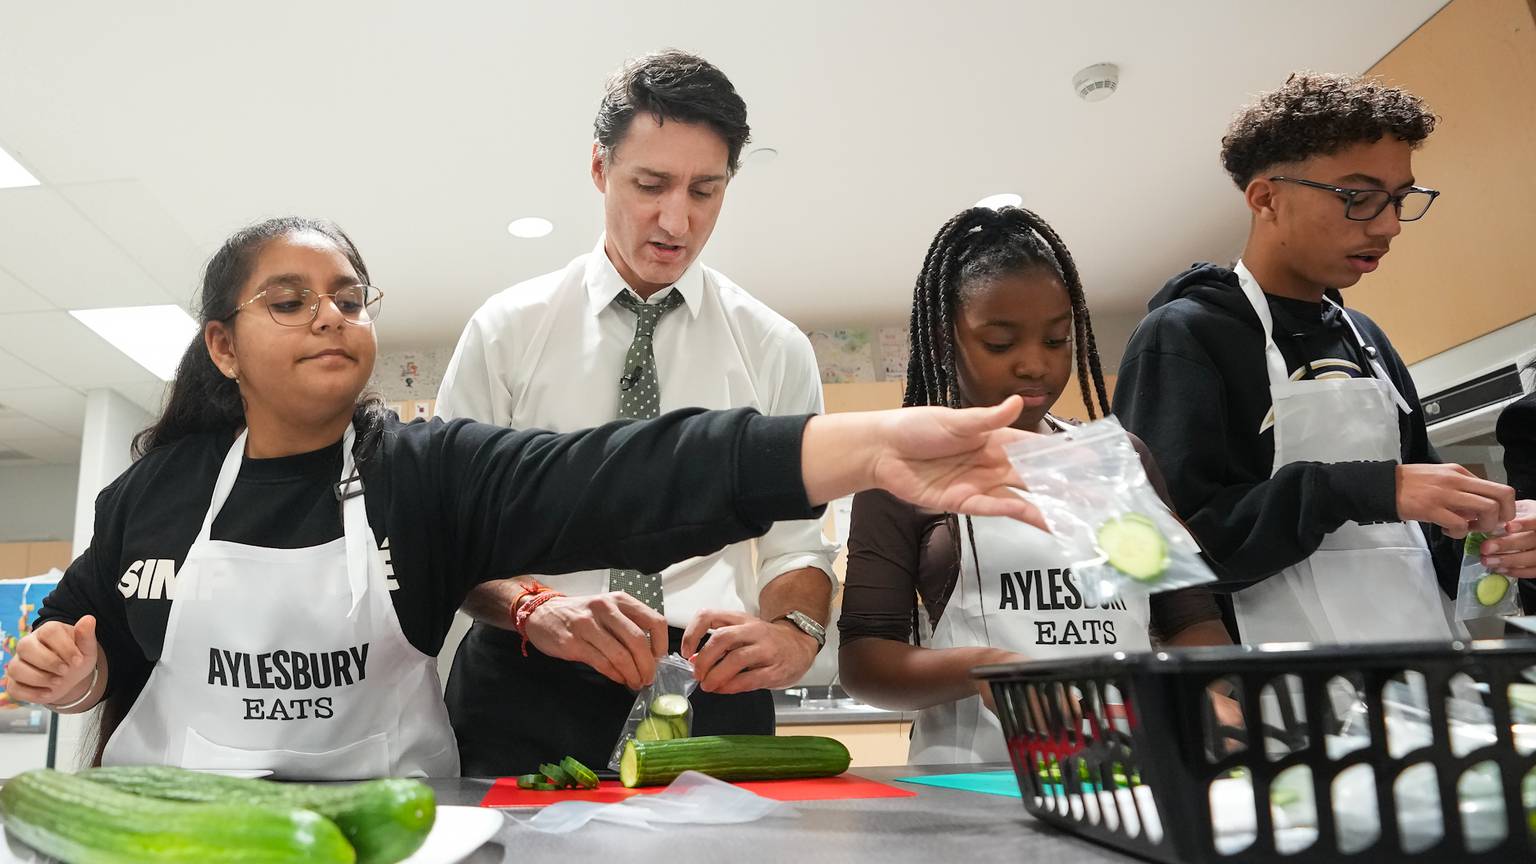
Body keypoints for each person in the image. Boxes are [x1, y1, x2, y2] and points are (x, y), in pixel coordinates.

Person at [4, 216, 1047, 779]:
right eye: (289, 302)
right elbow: (81, 644)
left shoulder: (425, 470)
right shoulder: (154, 491)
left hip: (396, 835)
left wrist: (864, 448)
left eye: (349, 298)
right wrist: (71, 673)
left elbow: (630, 472)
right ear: (224, 347)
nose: (329, 317)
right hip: (183, 840)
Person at [435, 50, 836, 775]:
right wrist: (534, 609)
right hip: (527, 675)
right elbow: (443, 534)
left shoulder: (774, 348)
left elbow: (798, 546)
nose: (676, 219)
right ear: (599, 169)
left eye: (705, 191)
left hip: (713, 686)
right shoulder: (506, 332)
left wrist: (795, 631)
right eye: (650, 185)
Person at [1113, 73, 1535, 644]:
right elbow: (1162, 557)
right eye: (1357, 198)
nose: (1387, 227)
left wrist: (1489, 540)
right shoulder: (1184, 336)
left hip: (1421, 672)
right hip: (1278, 694)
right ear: (1266, 199)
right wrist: (1366, 489)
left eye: (1399, 200)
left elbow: (1422, 533)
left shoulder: (1366, 340)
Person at [838, 205, 1230, 764]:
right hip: (977, 776)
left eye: (1056, 340)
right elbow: (865, 664)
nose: (1035, 366)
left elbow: (1189, 620)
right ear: (946, 340)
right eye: (1000, 344)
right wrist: (988, 672)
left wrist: (1208, 694)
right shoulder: (902, 474)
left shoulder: (1116, 459)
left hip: (1135, 766)